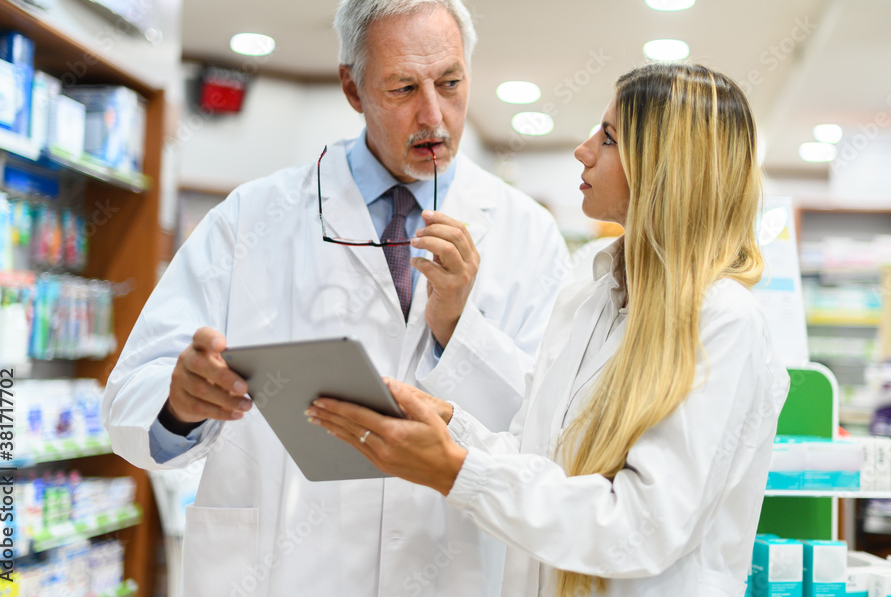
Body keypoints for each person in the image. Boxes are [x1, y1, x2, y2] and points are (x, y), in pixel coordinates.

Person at [102, 0, 568, 597]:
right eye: (403, 87)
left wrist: (460, 328)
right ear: (353, 88)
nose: (434, 114)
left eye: (451, 83)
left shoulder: (528, 234)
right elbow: (134, 392)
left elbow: (554, 432)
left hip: (450, 571)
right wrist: (181, 404)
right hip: (286, 571)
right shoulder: (251, 218)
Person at [310, 63, 791, 597]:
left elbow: (641, 528)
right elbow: (539, 456)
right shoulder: (593, 290)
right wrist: (452, 425)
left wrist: (455, 471)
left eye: (608, 138)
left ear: (664, 168)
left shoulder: (724, 323)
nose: (583, 151)